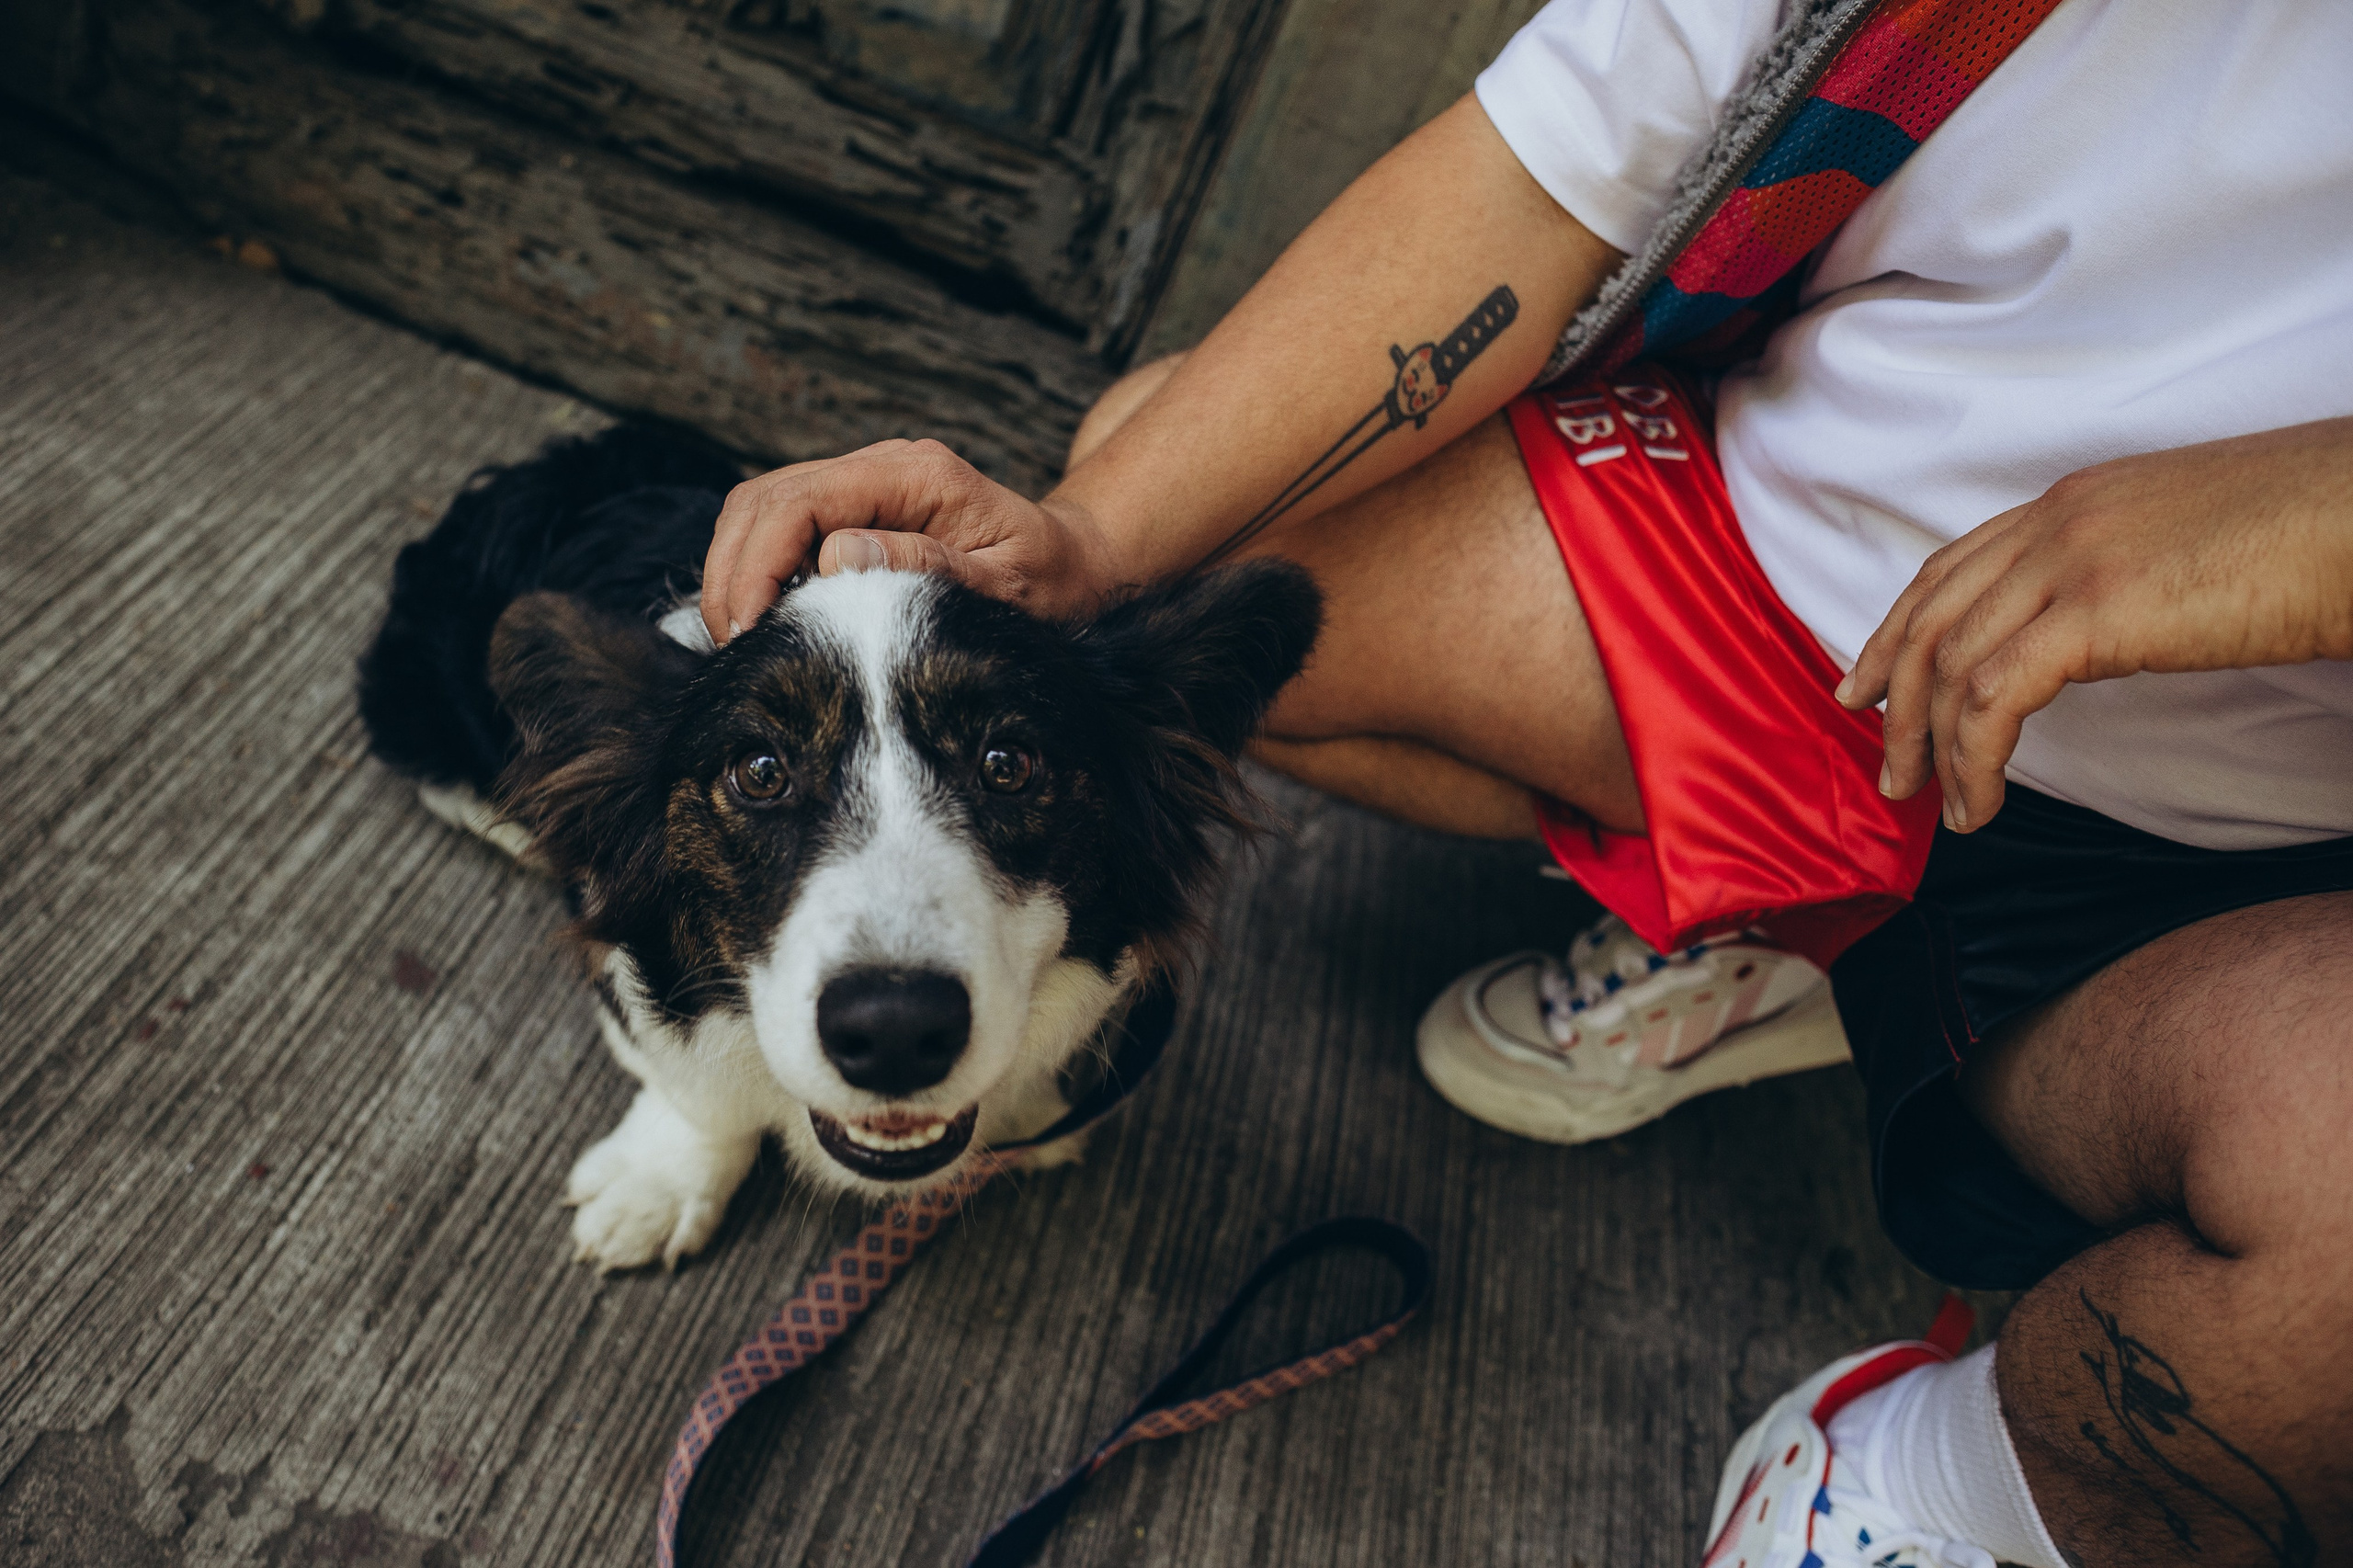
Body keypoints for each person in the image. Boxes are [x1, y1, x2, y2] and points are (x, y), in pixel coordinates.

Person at [697, 2, 2353, 1562]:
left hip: (2257, 874)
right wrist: (1093, 538)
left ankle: (1950, 1484)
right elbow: (1531, 176)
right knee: (1173, 563)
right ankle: (1771, 900)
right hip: (1798, 586)